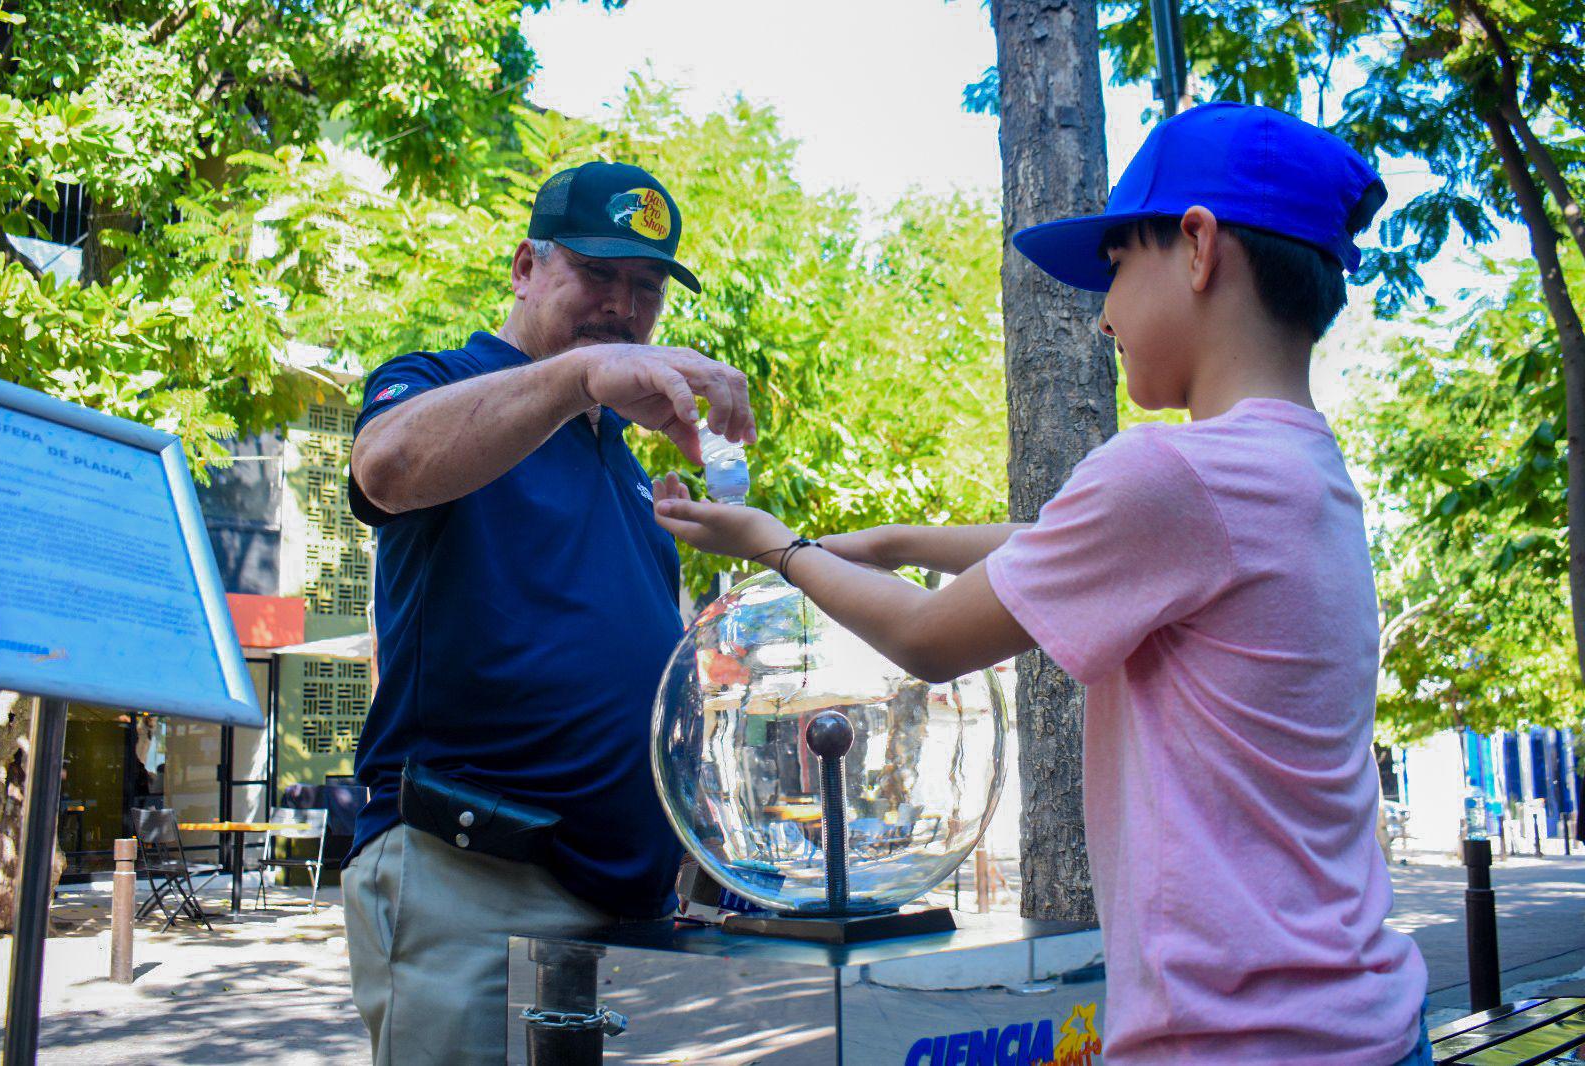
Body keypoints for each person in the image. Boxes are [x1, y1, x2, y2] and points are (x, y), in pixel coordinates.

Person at [651, 102, 1433, 1064]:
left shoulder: (1170, 476)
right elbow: (1073, 542)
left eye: (1114, 266)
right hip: (1367, 1027)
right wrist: (893, 537)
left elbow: (931, 640)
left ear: (1196, 246)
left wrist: (774, 545)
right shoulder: (1301, 473)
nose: (1101, 312)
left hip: (1241, 1044)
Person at [341, 161, 755, 1066]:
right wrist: (583, 377)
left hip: (630, 903)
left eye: (646, 287)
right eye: (597, 273)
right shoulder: (441, 379)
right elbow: (384, 469)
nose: (622, 305)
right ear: (525, 266)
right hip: (474, 880)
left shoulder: (625, 458)